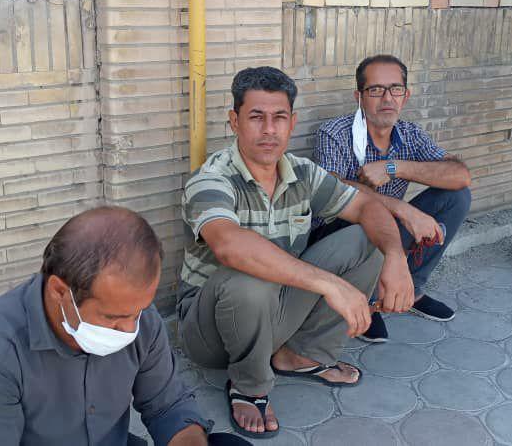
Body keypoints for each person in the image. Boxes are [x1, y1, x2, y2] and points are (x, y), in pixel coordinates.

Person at [176, 67, 414, 438]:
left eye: (279, 117)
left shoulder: (302, 173)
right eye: (256, 117)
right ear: (235, 121)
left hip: (275, 311)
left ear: (292, 122)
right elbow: (228, 244)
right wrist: (330, 284)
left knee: (368, 238)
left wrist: (396, 258)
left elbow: (367, 206)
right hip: (211, 332)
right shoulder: (211, 178)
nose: (269, 129)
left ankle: (301, 354)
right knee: (248, 279)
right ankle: (248, 386)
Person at [0, 207, 249, 446]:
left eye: (138, 311)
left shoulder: (139, 318)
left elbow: (167, 406)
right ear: (59, 292)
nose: (129, 329)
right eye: (112, 317)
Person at [310, 54, 471, 343]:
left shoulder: (410, 134)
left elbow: (460, 175)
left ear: (405, 96)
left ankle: (412, 288)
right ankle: (367, 299)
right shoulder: (334, 133)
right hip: (338, 235)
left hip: (389, 230)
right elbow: (330, 186)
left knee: (456, 196)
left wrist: (394, 168)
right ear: (359, 97)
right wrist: (402, 209)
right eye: (375, 90)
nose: (387, 98)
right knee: (365, 220)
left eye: (395, 89)